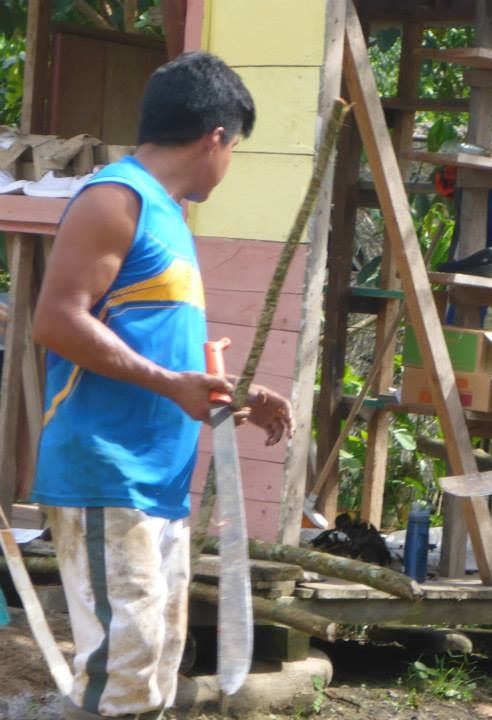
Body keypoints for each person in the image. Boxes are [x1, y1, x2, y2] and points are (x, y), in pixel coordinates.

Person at [30, 52, 294, 720]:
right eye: (234, 149)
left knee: (149, 675)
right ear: (216, 139)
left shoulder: (170, 217)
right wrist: (169, 381)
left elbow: (162, 360)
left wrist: (234, 394)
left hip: (159, 484)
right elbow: (55, 321)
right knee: (118, 678)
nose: (229, 163)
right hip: (107, 472)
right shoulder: (115, 200)